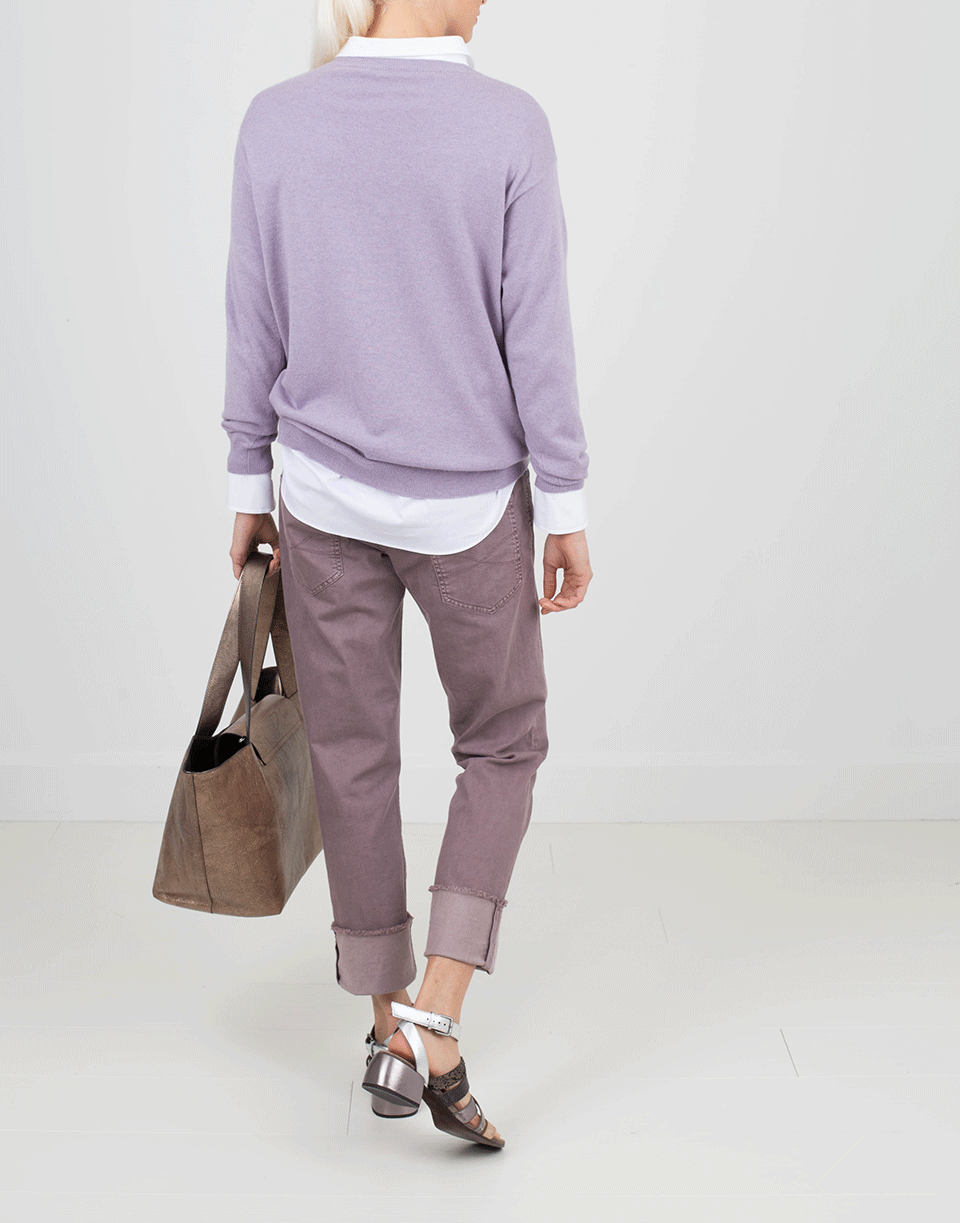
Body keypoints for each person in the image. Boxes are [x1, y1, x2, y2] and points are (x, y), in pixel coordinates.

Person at [222, 0, 593, 1150]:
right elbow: (536, 333)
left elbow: (253, 314)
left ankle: (387, 1015)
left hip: (321, 495)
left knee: (351, 750)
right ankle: (436, 1011)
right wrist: (565, 501)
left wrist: (246, 480)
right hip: (468, 503)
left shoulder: (277, 120)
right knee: (504, 742)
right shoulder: (508, 124)